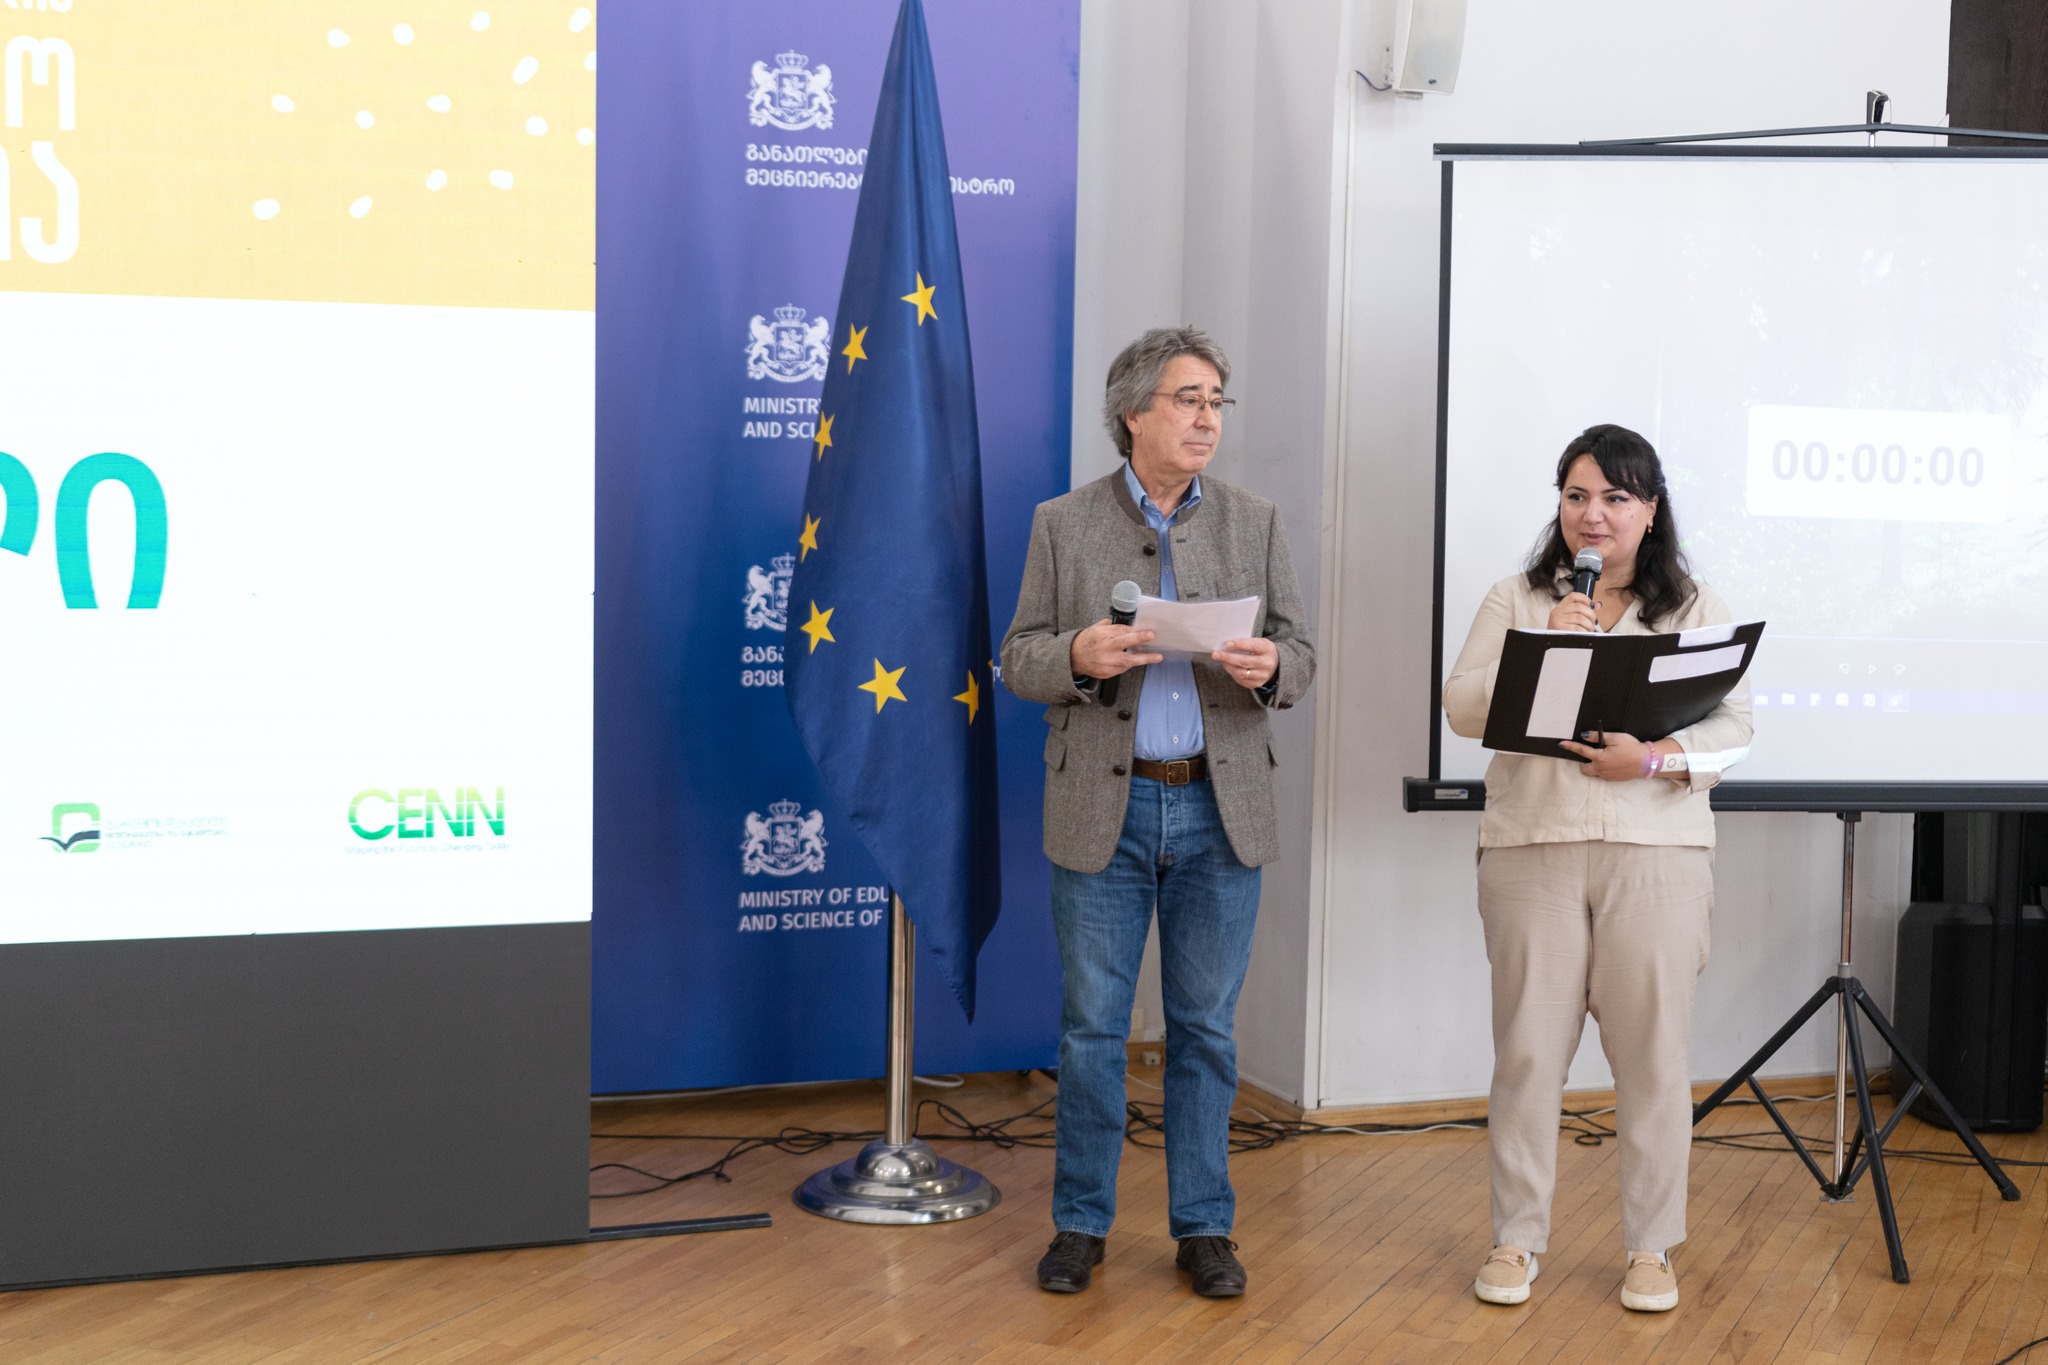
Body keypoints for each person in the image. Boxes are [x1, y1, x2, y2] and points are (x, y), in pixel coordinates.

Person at [999, 326, 1314, 1298]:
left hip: (1219, 810)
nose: (1207, 418)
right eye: (1188, 400)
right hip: (1108, 802)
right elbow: (1018, 657)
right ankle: (1080, 1224)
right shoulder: (1063, 522)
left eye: (1217, 401)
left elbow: (1299, 655)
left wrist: (1271, 666)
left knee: (1204, 1031)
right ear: (1132, 413)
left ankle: (1203, 1226)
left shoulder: (1254, 521)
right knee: (1093, 1031)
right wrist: (1077, 656)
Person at [1442, 423, 1753, 1315]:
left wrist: (1650, 759)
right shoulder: (1519, 596)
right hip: (1531, 848)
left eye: (1616, 497)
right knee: (1528, 1054)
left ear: (1649, 510)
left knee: (1653, 1057)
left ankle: (1651, 1248)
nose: (1594, 514)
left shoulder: (1692, 606)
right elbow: (1462, 708)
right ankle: (1515, 1238)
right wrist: (1541, 640)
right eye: (1577, 495)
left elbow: (1734, 727)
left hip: (1656, 854)